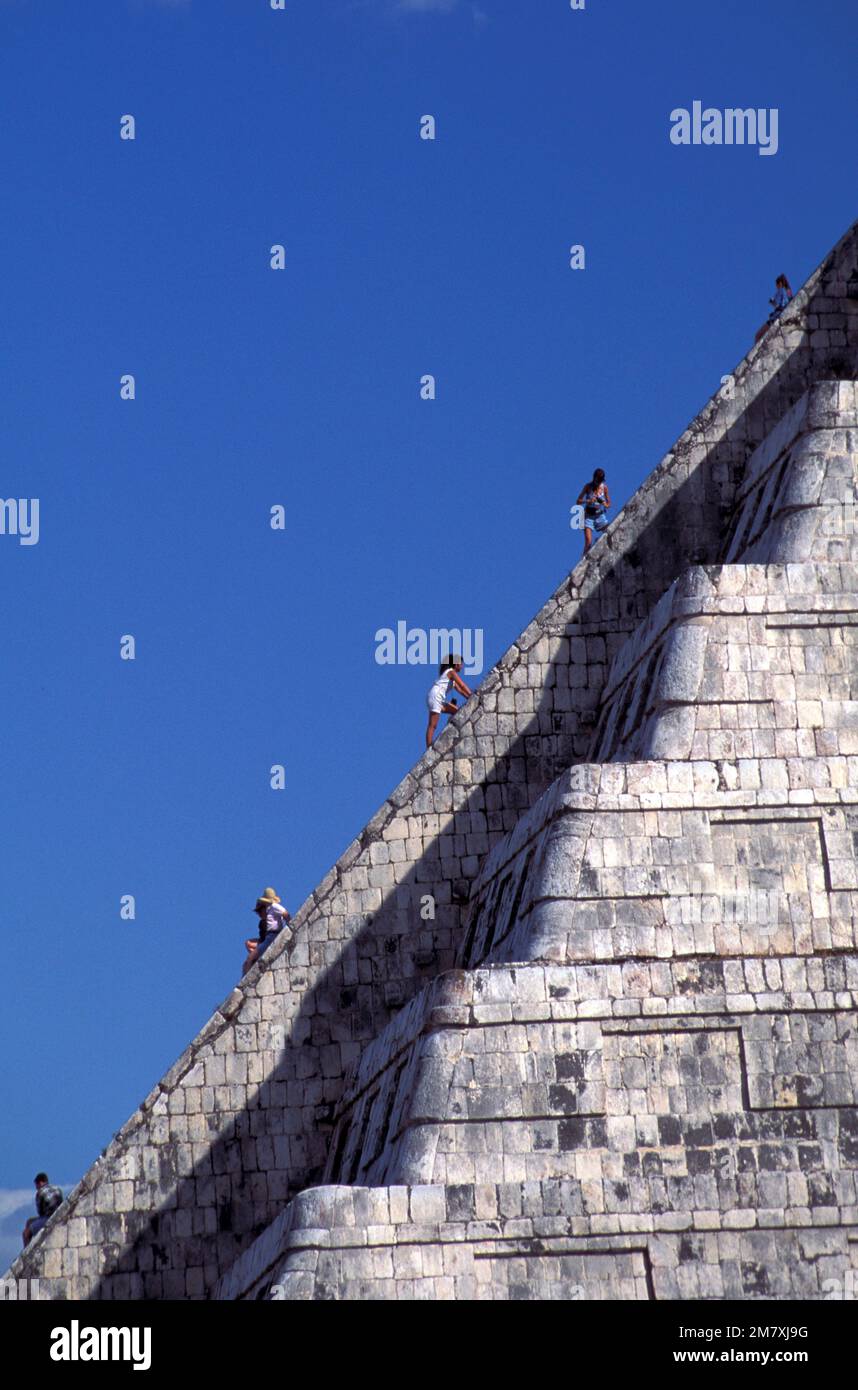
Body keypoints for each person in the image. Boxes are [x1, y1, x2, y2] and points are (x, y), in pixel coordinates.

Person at [425, 654, 472, 747]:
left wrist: (470, 698)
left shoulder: (451, 678)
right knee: (433, 725)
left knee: (457, 711)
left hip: (436, 697)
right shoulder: (451, 672)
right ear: (456, 664)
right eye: (461, 664)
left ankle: (451, 728)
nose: (462, 666)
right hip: (436, 697)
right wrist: (472, 695)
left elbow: (461, 691)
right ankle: (429, 746)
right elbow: (462, 685)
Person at [243, 887, 291, 974]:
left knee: (249, 959)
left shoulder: (274, 907)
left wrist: (290, 926)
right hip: (269, 937)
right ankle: (257, 958)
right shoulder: (269, 911)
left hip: (271, 937)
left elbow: (286, 914)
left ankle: (245, 981)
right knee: (248, 946)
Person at [22, 1173, 63, 1246]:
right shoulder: (57, 1189)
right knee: (29, 1221)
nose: (36, 1188)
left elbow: (40, 1213)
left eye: (36, 1185)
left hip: (48, 1218)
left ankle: (27, 1252)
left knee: (26, 1233)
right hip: (60, 1215)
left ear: (40, 1183)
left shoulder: (40, 1192)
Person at [577, 468, 611, 553]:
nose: (599, 483)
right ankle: (584, 559)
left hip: (599, 515)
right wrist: (587, 501)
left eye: (600, 481)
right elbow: (578, 501)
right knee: (588, 541)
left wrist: (603, 503)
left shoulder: (604, 488)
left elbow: (608, 504)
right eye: (597, 481)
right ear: (594, 479)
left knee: (609, 531)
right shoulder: (588, 487)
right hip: (588, 516)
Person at [755, 273, 793, 342]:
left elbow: (776, 304)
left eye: (777, 285)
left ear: (780, 283)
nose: (776, 287)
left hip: (775, 317)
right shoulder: (789, 292)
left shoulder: (780, 291)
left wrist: (771, 301)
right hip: (783, 317)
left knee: (758, 335)